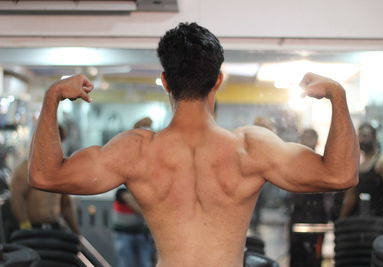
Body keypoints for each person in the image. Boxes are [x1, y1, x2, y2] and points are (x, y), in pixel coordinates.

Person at [28, 23, 359, 267]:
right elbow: (340, 175)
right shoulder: (250, 148)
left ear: (166, 81)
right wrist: (337, 96)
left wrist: (52, 97)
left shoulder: (137, 151)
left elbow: (44, 176)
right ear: (218, 80)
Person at [11, 125, 79, 234]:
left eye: (59, 141)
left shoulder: (59, 169)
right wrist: (25, 224)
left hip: (54, 226)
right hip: (33, 228)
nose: (56, 145)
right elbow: (17, 197)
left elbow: (66, 203)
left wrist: (76, 231)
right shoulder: (26, 167)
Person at [112, 117, 155, 267]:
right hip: (125, 233)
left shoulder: (148, 177)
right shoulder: (123, 175)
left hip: (143, 233)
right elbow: (132, 201)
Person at [287, 128, 329, 267]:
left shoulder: (323, 163)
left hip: (316, 218)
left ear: (316, 141)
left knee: (314, 257)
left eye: (310, 137)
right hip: (298, 215)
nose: (307, 140)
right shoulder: (293, 163)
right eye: (304, 137)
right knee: (296, 254)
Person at [340, 123, 383, 218]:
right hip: (361, 219)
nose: (361, 140)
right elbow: (351, 196)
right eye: (359, 136)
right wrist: (342, 219)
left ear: (374, 138)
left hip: (379, 218)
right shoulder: (358, 164)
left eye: (365, 136)